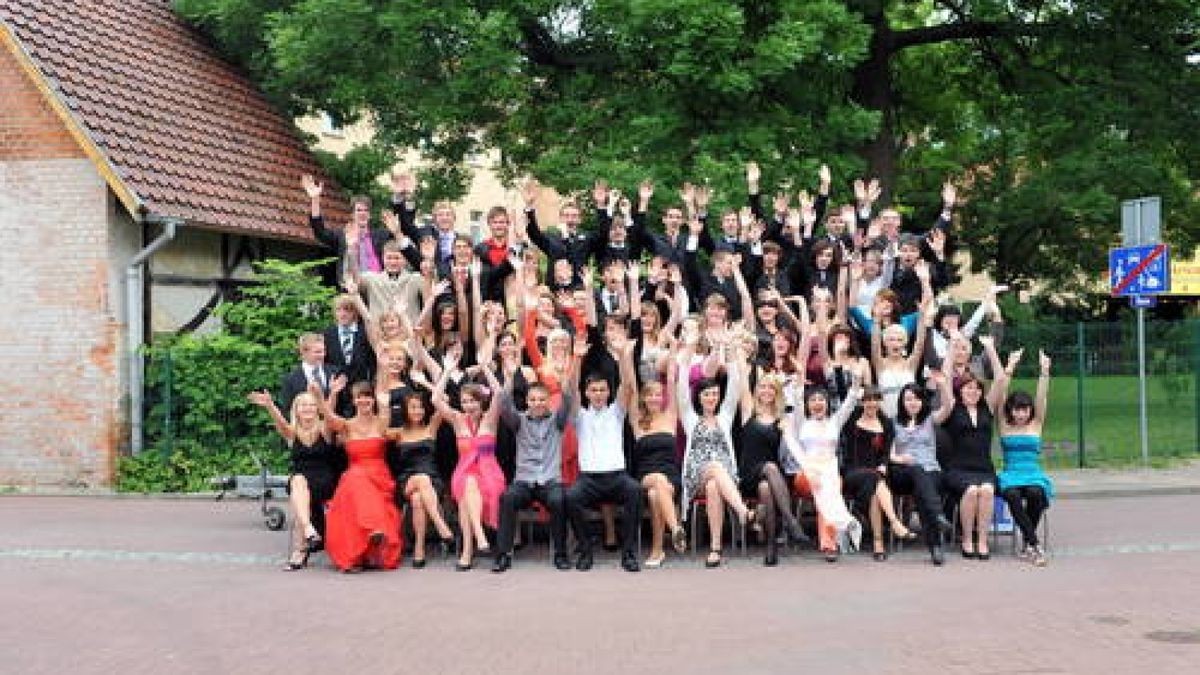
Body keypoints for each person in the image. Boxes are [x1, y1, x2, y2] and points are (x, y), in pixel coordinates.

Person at [677, 330, 759, 568]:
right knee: (712, 468)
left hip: (724, 477)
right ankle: (743, 512)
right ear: (699, 397)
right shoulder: (690, 418)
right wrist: (690, 348)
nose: (712, 397)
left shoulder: (725, 417)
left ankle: (715, 549)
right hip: (696, 476)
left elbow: (734, 384)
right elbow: (681, 386)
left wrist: (731, 349)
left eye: (714, 394)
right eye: (707, 394)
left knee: (715, 485)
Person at [565, 334, 643, 573]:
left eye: (602, 390)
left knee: (635, 491)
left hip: (616, 477)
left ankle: (628, 554)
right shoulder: (580, 416)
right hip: (588, 478)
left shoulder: (616, 412)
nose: (598, 394)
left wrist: (622, 356)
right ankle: (585, 551)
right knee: (572, 497)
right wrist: (577, 358)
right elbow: (570, 389)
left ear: (608, 392)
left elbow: (628, 385)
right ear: (587, 393)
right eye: (594, 390)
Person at [247, 386, 342, 570]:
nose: (307, 408)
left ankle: (301, 549)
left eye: (311, 405)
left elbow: (329, 413)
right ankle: (307, 531)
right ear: (296, 410)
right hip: (301, 482)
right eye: (303, 405)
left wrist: (330, 396)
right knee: (298, 483)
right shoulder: (292, 432)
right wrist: (270, 406)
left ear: (317, 409)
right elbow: (280, 423)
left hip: (324, 481)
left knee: (299, 493)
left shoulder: (325, 429)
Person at [429, 352, 507, 570]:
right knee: (467, 483)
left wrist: (485, 368)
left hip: (490, 472)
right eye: (464, 401)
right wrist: (446, 371)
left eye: (473, 400)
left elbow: (499, 393)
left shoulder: (490, 419)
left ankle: (467, 551)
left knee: (466, 494)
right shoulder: (456, 420)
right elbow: (435, 399)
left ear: (481, 401)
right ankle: (480, 536)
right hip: (464, 471)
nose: (468, 405)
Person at [316, 381, 403, 572]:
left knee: (355, 479)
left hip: (379, 478)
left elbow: (385, 403)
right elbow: (329, 418)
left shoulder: (381, 422)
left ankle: (372, 540)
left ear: (373, 399)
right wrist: (319, 396)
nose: (364, 400)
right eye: (359, 397)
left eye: (367, 396)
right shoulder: (347, 426)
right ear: (354, 401)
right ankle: (369, 534)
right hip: (354, 478)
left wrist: (382, 364)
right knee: (354, 479)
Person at [491, 375, 575, 573]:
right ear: (527, 401)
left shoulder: (557, 421)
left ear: (548, 401)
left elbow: (568, 400)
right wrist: (510, 377)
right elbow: (504, 405)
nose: (537, 403)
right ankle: (503, 555)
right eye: (533, 400)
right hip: (525, 481)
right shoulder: (519, 421)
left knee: (558, 499)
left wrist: (564, 381)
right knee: (508, 497)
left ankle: (560, 554)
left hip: (550, 481)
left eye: (541, 399)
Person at [941, 334, 1008, 560]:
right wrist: (951, 348)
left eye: (977, 389)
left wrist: (990, 348)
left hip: (983, 469)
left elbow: (1000, 379)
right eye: (968, 388)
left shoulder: (987, 408)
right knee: (970, 491)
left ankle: (982, 541)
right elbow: (946, 375)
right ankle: (967, 539)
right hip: (958, 470)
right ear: (961, 391)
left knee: (987, 491)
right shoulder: (952, 408)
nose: (973, 392)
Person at [784, 383, 864, 562]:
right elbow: (796, 400)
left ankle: (829, 544)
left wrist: (857, 381)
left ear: (827, 403)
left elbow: (849, 404)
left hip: (828, 475)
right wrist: (799, 377)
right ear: (807, 404)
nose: (817, 403)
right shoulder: (801, 423)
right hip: (806, 475)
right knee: (825, 486)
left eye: (821, 399)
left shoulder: (835, 422)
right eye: (812, 400)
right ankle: (842, 526)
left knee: (829, 487)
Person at [624, 344, 687, 568]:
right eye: (649, 394)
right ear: (644, 398)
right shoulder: (636, 420)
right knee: (656, 482)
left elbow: (672, 381)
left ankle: (657, 550)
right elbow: (630, 385)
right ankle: (676, 528)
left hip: (671, 476)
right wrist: (626, 355)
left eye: (658, 395)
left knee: (654, 496)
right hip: (645, 474)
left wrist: (672, 355)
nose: (654, 398)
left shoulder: (670, 416)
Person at [737, 368, 808, 566]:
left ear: (777, 392)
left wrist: (808, 465)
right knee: (769, 467)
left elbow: (793, 448)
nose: (767, 390)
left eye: (771, 387)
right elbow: (743, 381)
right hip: (749, 473)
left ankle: (771, 546)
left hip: (772, 479)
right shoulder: (748, 410)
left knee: (766, 488)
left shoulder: (782, 419)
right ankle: (791, 521)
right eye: (763, 386)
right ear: (756, 390)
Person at [839, 387, 919, 561]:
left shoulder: (886, 423)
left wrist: (883, 464)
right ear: (862, 402)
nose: (872, 403)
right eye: (868, 399)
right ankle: (895, 522)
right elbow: (843, 401)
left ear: (880, 402)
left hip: (876, 474)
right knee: (876, 480)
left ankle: (878, 543)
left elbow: (885, 453)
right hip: (853, 473)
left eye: (875, 399)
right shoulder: (852, 419)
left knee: (876, 490)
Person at [384, 390, 455, 568]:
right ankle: (441, 526)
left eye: (421, 407)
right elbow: (379, 429)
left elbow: (443, 399)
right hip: (407, 480)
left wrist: (424, 382)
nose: (417, 411)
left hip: (433, 480)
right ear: (406, 410)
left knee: (417, 499)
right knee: (420, 480)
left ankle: (419, 547)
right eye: (413, 407)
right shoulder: (398, 433)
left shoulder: (431, 427)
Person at [890, 373, 956, 565]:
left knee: (922, 489)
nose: (913, 402)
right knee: (917, 471)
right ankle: (938, 517)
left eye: (917, 398)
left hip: (930, 472)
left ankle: (935, 546)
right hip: (902, 472)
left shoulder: (929, 419)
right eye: (908, 399)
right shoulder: (893, 422)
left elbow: (948, 407)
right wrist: (899, 458)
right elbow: (889, 453)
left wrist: (943, 385)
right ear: (902, 402)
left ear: (922, 401)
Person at [996, 349, 1054, 567]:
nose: (1021, 414)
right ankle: (1033, 544)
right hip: (1011, 473)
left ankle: (1028, 544)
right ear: (1010, 411)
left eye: (1025, 410)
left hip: (1032, 472)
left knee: (1036, 493)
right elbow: (1001, 394)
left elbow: (1042, 397)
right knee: (1011, 494)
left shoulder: (1036, 423)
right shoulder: (1003, 424)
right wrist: (1009, 368)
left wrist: (1044, 372)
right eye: (1017, 410)